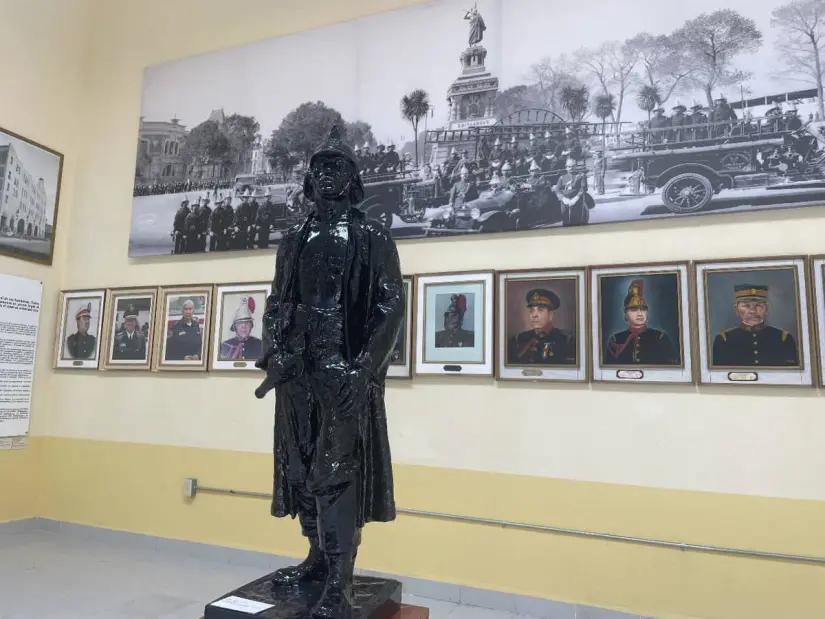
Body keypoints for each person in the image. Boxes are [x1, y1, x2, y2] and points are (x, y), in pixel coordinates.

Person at [254, 125, 404, 618]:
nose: (327, 174)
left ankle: (340, 579)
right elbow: (277, 302)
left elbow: (390, 306)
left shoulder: (371, 236)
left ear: (353, 177)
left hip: (344, 368)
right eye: (319, 167)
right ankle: (317, 558)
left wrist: (365, 369)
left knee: (335, 472)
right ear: (309, 178)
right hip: (298, 368)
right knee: (299, 466)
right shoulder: (294, 238)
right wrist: (276, 351)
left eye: (337, 166)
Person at [712, 284, 799, 367]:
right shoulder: (724, 340)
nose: (753, 311)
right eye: (746, 306)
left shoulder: (783, 338)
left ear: (766, 309)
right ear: (736, 309)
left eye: (758, 305)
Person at [604, 279, 679, 366]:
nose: (640, 314)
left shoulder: (661, 338)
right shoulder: (615, 339)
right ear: (625, 314)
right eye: (634, 310)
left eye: (643, 309)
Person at [507, 288, 575, 365]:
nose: (534, 315)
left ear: (551, 315)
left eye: (540, 310)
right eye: (531, 311)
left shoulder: (566, 341)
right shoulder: (519, 339)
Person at [220, 296, 263, 360]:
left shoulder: (260, 345)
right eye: (240, 323)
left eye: (247, 322)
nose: (244, 326)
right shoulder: (225, 345)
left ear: (251, 325)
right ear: (234, 326)